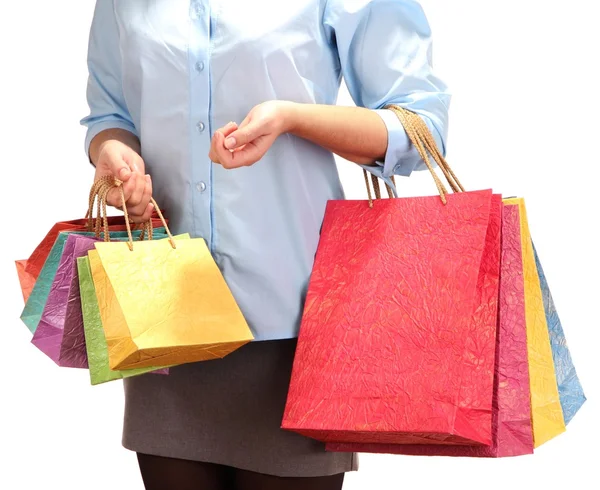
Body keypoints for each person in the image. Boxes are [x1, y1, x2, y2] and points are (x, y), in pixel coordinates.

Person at [81, 0, 449, 488]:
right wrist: (115, 156)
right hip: (163, 321)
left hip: (297, 327)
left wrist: (293, 118)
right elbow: (110, 113)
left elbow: (422, 129)